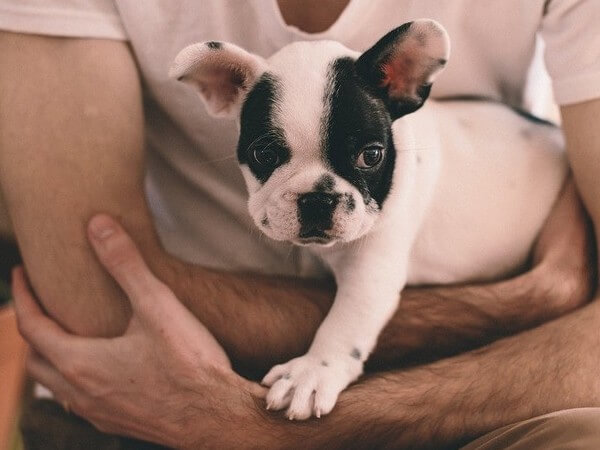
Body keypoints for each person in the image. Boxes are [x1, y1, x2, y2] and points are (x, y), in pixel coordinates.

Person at [1, 0, 600, 448]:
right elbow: (93, 295)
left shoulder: (414, 155)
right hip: (141, 394)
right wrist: (529, 302)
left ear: (404, 82)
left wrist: (324, 367)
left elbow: (373, 283)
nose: (316, 196)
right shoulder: (275, 90)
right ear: (222, 86)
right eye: (271, 157)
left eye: (363, 158)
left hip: (483, 372)